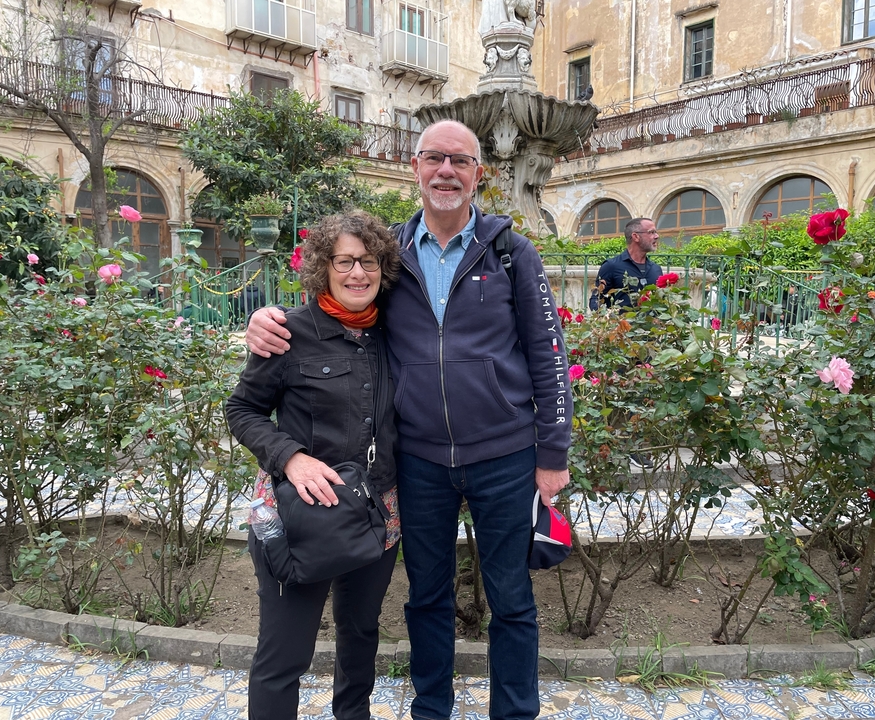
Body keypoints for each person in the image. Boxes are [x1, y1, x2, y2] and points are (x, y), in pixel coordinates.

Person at [245, 119, 572, 720]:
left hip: (504, 455)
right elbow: (338, 304)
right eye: (434, 158)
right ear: (415, 168)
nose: (446, 170)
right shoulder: (389, 254)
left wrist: (552, 455)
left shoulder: (510, 251)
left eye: (460, 161)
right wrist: (268, 319)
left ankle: (515, 714)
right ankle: (431, 711)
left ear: (479, 174)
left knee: (512, 599)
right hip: (419, 461)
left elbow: (549, 356)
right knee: (426, 598)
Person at [226, 211, 402, 720]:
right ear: (323, 267)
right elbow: (242, 409)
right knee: (284, 652)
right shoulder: (288, 332)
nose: (357, 273)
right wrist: (291, 458)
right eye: (344, 261)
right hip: (302, 513)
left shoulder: (395, 332)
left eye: (368, 261)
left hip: (378, 514)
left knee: (360, 636)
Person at [589, 217, 664, 310]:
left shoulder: (656, 269)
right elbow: (596, 300)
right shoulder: (611, 266)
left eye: (655, 232)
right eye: (651, 232)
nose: (656, 236)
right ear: (635, 236)